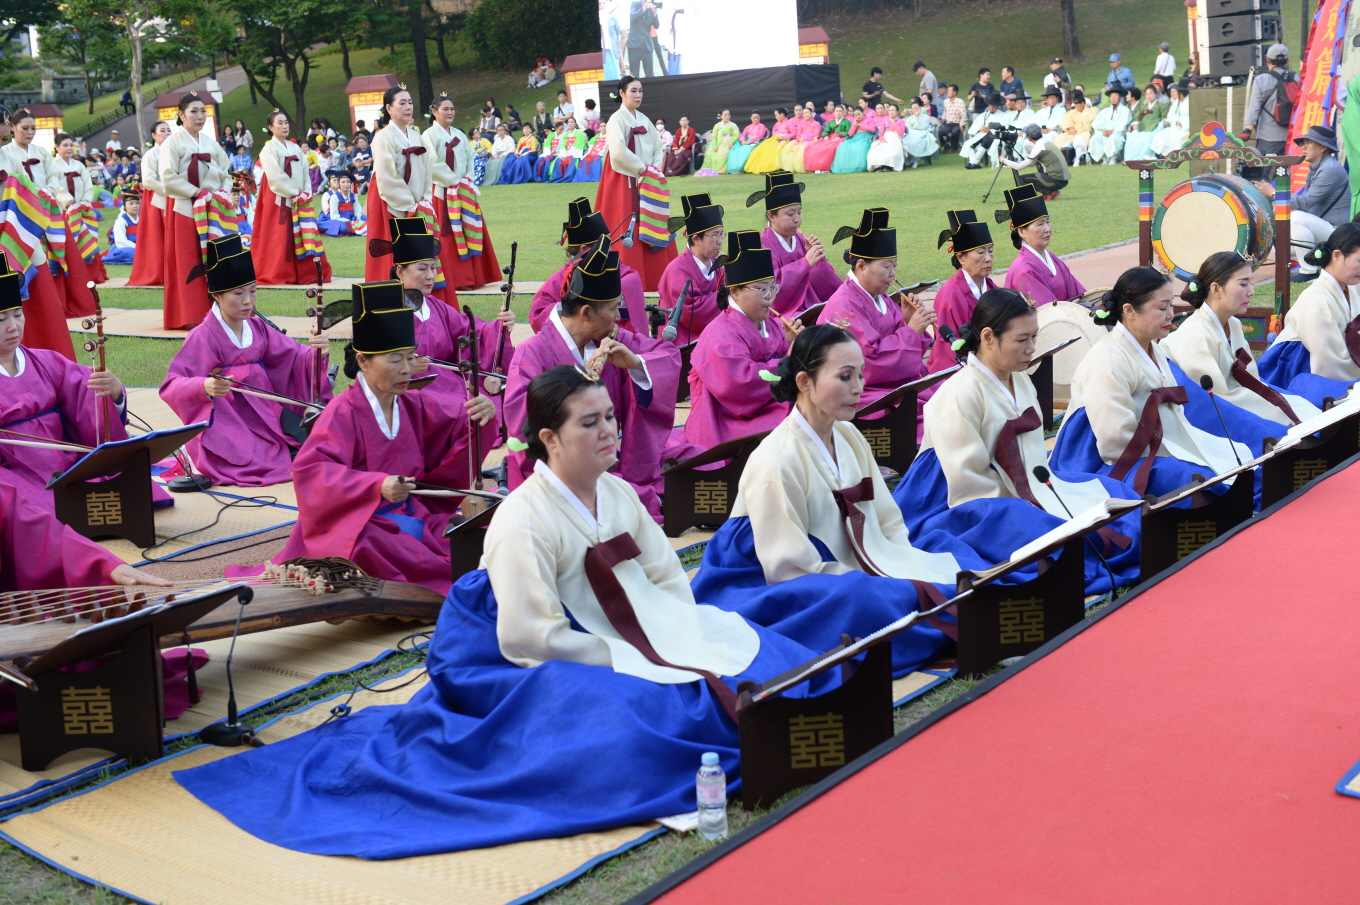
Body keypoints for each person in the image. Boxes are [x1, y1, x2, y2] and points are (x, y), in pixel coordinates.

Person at [179, 359, 850, 860]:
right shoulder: (523, 519)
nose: (611, 431)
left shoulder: (616, 493)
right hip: (550, 657)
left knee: (765, 648)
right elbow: (528, 635)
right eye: (591, 423)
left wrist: (674, 634)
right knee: (632, 718)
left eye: (610, 418)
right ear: (549, 441)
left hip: (647, 636)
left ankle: (755, 718)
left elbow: (666, 579)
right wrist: (628, 653)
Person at [690, 324, 962, 678]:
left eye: (861, 375)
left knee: (938, 568)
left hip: (850, 562)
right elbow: (788, 570)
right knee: (864, 595)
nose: (859, 387)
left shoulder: (848, 434)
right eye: (846, 376)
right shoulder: (775, 459)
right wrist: (875, 578)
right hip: (765, 577)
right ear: (804, 382)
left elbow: (887, 518)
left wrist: (899, 561)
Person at [233, 280, 494, 594]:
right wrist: (376, 486)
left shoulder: (412, 401)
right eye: (395, 360)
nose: (407, 369)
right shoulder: (342, 412)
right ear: (362, 361)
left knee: (483, 532)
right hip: (360, 522)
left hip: (412, 515)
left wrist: (480, 416)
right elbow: (311, 473)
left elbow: (455, 430)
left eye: (411, 358)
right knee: (371, 548)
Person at [895, 288, 1142, 595]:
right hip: (965, 502)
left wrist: (1042, 493)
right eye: (1022, 340)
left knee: (1113, 494)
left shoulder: (1020, 379)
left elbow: (1034, 460)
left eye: (1034, 337)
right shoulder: (957, 395)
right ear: (988, 337)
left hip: (1026, 485)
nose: (1032, 348)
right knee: (1046, 531)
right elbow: (969, 487)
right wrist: (1030, 504)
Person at [506, 234, 682, 521]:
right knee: (630, 502)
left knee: (696, 462)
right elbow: (526, 434)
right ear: (587, 312)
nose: (618, 315)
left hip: (605, 460)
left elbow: (669, 357)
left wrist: (636, 363)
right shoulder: (532, 355)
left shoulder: (610, 339)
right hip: (559, 476)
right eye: (613, 308)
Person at [1050, 266, 1251, 499]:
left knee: (1237, 455)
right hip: (1113, 462)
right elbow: (1115, 442)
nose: (1170, 315)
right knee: (1193, 477)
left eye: (1171, 306)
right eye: (1162, 307)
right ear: (1129, 310)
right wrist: (1172, 452)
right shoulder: (1106, 361)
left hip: (1155, 446)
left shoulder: (1152, 347)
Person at [161, 235, 331, 487]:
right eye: (238, 293)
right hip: (228, 419)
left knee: (311, 448)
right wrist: (203, 386)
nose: (248, 301)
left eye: (253, 291)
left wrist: (316, 353)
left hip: (266, 414)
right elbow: (173, 384)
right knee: (252, 462)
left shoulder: (258, 328)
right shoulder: (203, 336)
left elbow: (291, 356)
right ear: (217, 295)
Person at [0, 251, 157, 512]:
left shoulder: (47, 362)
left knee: (117, 493)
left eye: (18, 314)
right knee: (30, 511)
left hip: (64, 462)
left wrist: (114, 391)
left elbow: (88, 395)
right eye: (1, 319)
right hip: (12, 472)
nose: (13, 327)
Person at [1162, 251, 1319, 443]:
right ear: (1216, 289)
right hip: (1212, 419)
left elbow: (1252, 379)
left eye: (1251, 283)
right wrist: (1278, 411)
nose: (1251, 291)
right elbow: (1218, 401)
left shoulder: (1233, 324)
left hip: (1239, 402)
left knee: (1308, 410)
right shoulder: (1196, 335)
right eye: (1243, 284)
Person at [380, 217, 511, 437]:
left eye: (433, 268)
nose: (431, 276)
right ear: (400, 271)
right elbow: (376, 361)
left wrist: (499, 326)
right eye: (422, 269)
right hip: (412, 390)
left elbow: (471, 332)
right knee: (463, 414)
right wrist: (408, 365)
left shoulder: (436, 306)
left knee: (502, 402)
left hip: (449, 382)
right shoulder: (385, 310)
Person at [816, 207, 934, 428]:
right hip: (862, 389)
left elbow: (894, 337)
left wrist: (908, 322)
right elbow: (868, 363)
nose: (893, 274)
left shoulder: (879, 297)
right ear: (861, 266)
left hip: (892, 382)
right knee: (930, 413)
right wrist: (911, 332)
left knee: (944, 394)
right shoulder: (844, 305)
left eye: (895, 266)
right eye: (886, 266)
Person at [683, 229, 797, 450]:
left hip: (765, 403)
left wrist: (792, 344)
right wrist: (788, 363)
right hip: (727, 421)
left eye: (773, 287)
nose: (770, 296)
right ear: (734, 292)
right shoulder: (721, 334)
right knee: (795, 426)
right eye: (762, 289)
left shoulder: (770, 324)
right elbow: (739, 386)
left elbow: (781, 356)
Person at [1257, 223, 1360, 404]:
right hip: (1298, 373)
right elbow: (1329, 364)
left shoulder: (1349, 289)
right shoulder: (1317, 300)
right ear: (1337, 255)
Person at [0, 110, 75, 358]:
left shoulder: (7, 157)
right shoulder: (9, 153)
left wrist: (44, 195)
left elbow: (25, 189)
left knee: (39, 300)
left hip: (19, 232)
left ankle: (47, 354)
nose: (8, 130)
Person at [160, 93, 235, 330]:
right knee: (188, 260)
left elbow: (226, 172)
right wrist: (195, 192)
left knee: (214, 258)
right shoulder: (172, 142)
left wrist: (222, 192)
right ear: (181, 115)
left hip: (211, 209)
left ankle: (219, 311)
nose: (200, 116)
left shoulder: (211, 143)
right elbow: (167, 176)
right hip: (185, 208)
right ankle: (190, 314)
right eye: (194, 111)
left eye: (203, 111)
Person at [595, 75, 677, 290]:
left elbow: (658, 146)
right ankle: (627, 273)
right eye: (633, 90)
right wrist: (641, 169)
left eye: (640, 90)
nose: (638, 95)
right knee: (626, 219)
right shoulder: (616, 119)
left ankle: (654, 274)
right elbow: (618, 150)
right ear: (622, 93)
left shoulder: (643, 118)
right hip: (623, 177)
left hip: (647, 178)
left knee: (651, 217)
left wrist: (653, 170)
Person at [423, 94, 502, 295]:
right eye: (445, 109)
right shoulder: (428, 135)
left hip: (462, 190)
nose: (450, 113)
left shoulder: (458, 133)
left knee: (469, 228)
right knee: (448, 233)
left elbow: (470, 158)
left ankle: (475, 276)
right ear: (434, 112)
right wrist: (452, 182)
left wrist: (466, 180)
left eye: (452, 109)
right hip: (442, 191)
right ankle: (456, 277)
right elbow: (431, 162)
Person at [529, 197, 644, 335]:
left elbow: (630, 283)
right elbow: (538, 315)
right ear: (584, 250)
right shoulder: (559, 279)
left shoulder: (621, 272)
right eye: (604, 247)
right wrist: (575, 308)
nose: (611, 252)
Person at [1258, 125, 1348, 281]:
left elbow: (1306, 203)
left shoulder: (1329, 169)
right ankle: (1314, 263)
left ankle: (1309, 271)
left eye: (1308, 143)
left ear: (1323, 147)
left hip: (1338, 234)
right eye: (1302, 143)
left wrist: (1273, 193)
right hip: (1327, 230)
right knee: (1275, 244)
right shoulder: (1318, 167)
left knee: (1297, 218)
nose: (1303, 147)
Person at [254, 110, 332, 287]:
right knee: (280, 235)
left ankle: (306, 272)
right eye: (279, 123)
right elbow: (275, 175)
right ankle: (279, 272)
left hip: (299, 198)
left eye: (286, 122)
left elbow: (306, 171)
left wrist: (305, 192)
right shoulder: (268, 149)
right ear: (271, 127)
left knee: (303, 233)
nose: (284, 126)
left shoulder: (295, 147)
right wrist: (293, 193)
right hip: (278, 197)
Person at [365, 86, 433, 284]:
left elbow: (428, 169)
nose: (408, 107)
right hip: (389, 201)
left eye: (410, 102)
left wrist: (424, 200)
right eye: (401, 103)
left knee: (417, 252)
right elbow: (386, 176)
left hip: (415, 203)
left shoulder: (416, 136)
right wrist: (407, 203)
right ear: (389, 108)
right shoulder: (383, 137)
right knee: (392, 251)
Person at [752, 171, 840, 316]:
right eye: (790, 214)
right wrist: (805, 263)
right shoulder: (762, 245)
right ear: (771, 216)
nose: (797, 219)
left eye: (799, 213)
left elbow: (824, 282)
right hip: (782, 313)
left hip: (811, 304)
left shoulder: (800, 239)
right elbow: (772, 288)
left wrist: (818, 260)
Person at [930, 210, 998, 374]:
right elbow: (950, 347)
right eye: (981, 252)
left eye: (990, 250)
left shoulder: (990, 286)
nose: (988, 258)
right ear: (961, 258)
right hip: (959, 371)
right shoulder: (950, 294)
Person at [47, 132, 106, 317]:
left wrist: (85, 201)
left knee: (87, 240)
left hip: (82, 209)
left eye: (71, 145)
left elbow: (89, 185)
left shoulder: (79, 165)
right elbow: (54, 188)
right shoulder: (51, 165)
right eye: (65, 145)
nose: (69, 148)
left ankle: (91, 274)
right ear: (56, 147)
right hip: (63, 212)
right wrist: (68, 203)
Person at [999, 184, 1085, 305]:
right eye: (1040, 224)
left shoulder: (1052, 258)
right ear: (1022, 231)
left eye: (1048, 222)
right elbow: (1046, 312)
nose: (1047, 229)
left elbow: (1078, 294)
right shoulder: (1024, 270)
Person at [657, 192, 724, 345]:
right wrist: (728, 294)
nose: (720, 241)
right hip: (683, 342)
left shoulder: (716, 263)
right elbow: (690, 314)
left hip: (713, 332)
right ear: (696, 239)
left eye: (722, 234)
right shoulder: (677, 270)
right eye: (714, 235)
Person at [127, 121, 173, 287]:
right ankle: (159, 272)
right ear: (154, 136)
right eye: (163, 130)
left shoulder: (175, 152)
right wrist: (170, 192)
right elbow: (148, 181)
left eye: (169, 130)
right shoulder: (151, 155)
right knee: (158, 236)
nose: (167, 133)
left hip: (175, 197)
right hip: (157, 199)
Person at [1241, 44, 1294, 159]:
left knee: (1265, 173)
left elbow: (1254, 107)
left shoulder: (1261, 80)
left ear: (1267, 60)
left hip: (1268, 137)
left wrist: (1248, 129)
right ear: (1287, 60)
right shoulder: (1296, 79)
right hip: (1291, 136)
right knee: (1287, 173)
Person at [1003, 124, 1071, 200]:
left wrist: (1003, 160)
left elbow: (1019, 167)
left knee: (1021, 179)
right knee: (1033, 173)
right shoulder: (1044, 142)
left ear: (1029, 137)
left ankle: (1050, 192)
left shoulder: (1039, 147)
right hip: (1062, 179)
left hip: (1056, 180)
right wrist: (1018, 162)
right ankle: (1050, 193)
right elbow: (1031, 162)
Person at [961, 92, 1007, 169]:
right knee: (968, 144)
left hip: (994, 136)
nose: (991, 108)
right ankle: (973, 162)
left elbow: (1003, 127)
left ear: (997, 106)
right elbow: (975, 126)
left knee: (986, 140)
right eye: (990, 105)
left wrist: (991, 129)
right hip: (982, 135)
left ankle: (973, 162)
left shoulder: (1003, 115)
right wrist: (980, 128)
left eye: (993, 106)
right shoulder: (984, 115)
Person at [1124, 82, 1169, 162]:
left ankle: (1147, 155)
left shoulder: (1161, 105)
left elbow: (1164, 117)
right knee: (1132, 137)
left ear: (1155, 94)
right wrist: (1135, 124)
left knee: (1148, 138)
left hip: (1155, 128)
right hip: (1143, 128)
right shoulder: (1143, 107)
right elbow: (1137, 118)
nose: (1149, 96)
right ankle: (1131, 158)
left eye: (1151, 93)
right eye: (1147, 94)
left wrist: (1160, 123)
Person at [1088, 87, 1132, 164]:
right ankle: (1104, 158)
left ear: (1120, 98)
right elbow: (1097, 123)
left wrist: (1112, 131)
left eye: (1115, 96)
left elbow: (1124, 124)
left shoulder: (1125, 110)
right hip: (1104, 133)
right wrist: (1103, 129)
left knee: (1114, 137)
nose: (1113, 98)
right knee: (1095, 138)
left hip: (1117, 133)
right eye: (1111, 96)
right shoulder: (1105, 111)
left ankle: (1113, 158)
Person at [803, 103, 850, 173]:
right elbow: (826, 131)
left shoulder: (847, 122)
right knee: (818, 146)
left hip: (841, 138)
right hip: (831, 137)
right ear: (834, 112)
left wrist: (840, 136)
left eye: (840, 111)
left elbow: (849, 131)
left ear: (843, 112)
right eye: (836, 111)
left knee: (831, 147)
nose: (838, 113)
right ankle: (817, 165)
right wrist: (826, 136)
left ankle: (828, 166)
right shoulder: (831, 122)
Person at [1053, 90, 1097, 164]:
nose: (1076, 107)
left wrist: (1086, 109)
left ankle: (1078, 158)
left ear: (1083, 104)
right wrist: (1070, 127)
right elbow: (1066, 120)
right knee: (1059, 138)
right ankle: (1058, 159)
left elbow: (1091, 119)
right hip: (1074, 132)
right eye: (1075, 105)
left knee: (1080, 139)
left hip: (1086, 132)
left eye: (1078, 105)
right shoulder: (1072, 112)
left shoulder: (1092, 110)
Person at [1149, 83, 1190, 157]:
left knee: (1177, 138)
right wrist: (1169, 120)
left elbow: (1193, 116)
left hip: (1186, 128)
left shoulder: (1190, 102)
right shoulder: (1177, 102)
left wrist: (1183, 123)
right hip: (1175, 126)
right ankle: (1162, 155)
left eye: (1174, 92)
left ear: (1180, 93)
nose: (1172, 93)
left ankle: (1175, 156)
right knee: (1160, 135)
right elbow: (1171, 113)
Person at [866, 103, 906, 172]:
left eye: (893, 110)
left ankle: (887, 166)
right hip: (886, 138)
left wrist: (894, 123)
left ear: (897, 112)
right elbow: (880, 133)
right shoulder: (885, 121)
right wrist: (882, 139)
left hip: (896, 139)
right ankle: (879, 166)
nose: (891, 112)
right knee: (876, 150)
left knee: (891, 151)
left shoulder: (901, 121)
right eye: (890, 110)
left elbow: (900, 133)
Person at [104, 187, 140, 264]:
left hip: (141, 246)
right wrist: (139, 247)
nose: (135, 206)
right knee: (132, 253)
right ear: (124, 206)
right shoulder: (121, 220)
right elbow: (121, 241)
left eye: (137, 203)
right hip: (124, 247)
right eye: (131, 203)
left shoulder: (142, 218)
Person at [725, 110, 766, 174]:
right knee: (735, 149)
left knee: (746, 149)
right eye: (754, 118)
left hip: (756, 142)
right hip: (746, 142)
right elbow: (743, 135)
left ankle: (742, 168)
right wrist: (743, 141)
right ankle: (735, 168)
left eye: (757, 118)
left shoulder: (761, 126)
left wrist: (749, 142)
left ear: (759, 118)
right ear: (751, 118)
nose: (755, 119)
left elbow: (760, 136)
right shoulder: (748, 127)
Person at [627, 0, 660, 78]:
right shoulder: (635, 4)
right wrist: (643, 8)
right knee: (634, 76)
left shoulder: (651, 6)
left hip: (647, 46)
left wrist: (655, 13)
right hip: (634, 46)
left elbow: (657, 25)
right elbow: (632, 17)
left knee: (650, 75)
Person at [902, 98, 939, 167]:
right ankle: (910, 159)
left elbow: (923, 127)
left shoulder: (926, 117)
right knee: (906, 140)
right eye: (913, 109)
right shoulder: (909, 118)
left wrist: (917, 117)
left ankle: (916, 159)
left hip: (922, 133)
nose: (915, 110)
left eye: (917, 108)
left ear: (920, 108)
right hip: (912, 133)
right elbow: (908, 128)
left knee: (918, 140)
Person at [706, 109, 740, 174]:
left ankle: (723, 170)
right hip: (719, 144)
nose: (727, 116)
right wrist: (715, 145)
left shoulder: (733, 125)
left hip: (729, 144)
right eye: (725, 115)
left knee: (725, 153)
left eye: (728, 115)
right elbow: (714, 137)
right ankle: (716, 170)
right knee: (711, 154)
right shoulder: (717, 126)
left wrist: (731, 142)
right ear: (721, 116)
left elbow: (736, 135)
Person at [938, 84, 968, 151]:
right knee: (939, 132)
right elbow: (945, 112)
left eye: (949, 91)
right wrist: (943, 118)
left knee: (954, 132)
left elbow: (963, 115)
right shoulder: (946, 101)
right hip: (948, 124)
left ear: (954, 92)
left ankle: (955, 146)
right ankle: (946, 145)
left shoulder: (960, 102)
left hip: (957, 124)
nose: (947, 92)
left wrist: (961, 125)